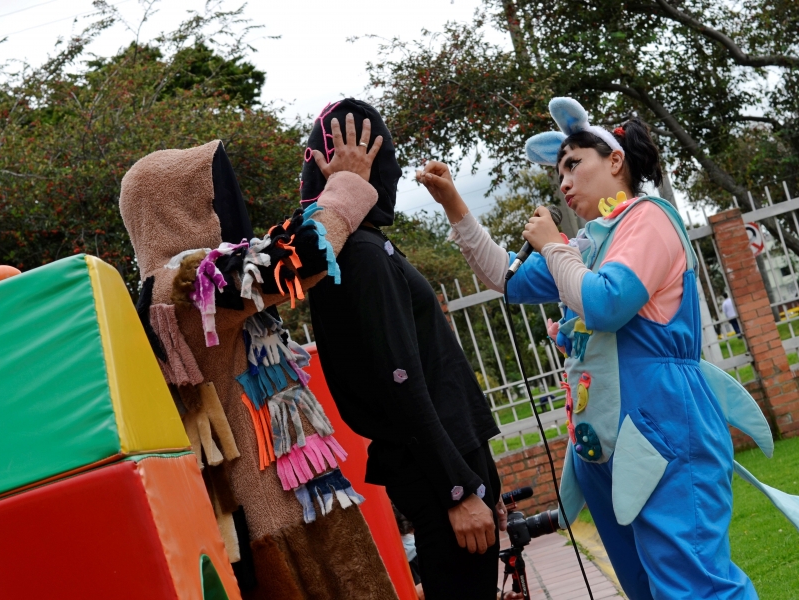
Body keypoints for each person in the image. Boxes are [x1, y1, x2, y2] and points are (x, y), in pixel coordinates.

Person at [417, 97, 764, 599]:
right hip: (603, 443)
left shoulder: (649, 218)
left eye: (574, 164)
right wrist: (454, 202)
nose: (563, 182)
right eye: (559, 172)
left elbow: (605, 303)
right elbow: (505, 278)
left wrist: (554, 245)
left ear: (616, 161)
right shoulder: (588, 246)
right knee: (644, 585)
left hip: (662, 427)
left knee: (693, 585)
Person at [303, 98, 507, 600]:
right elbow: (400, 382)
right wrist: (458, 491)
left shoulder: (367, 245)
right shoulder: (358, 255)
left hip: (454, 467)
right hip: (439, 479)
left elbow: (436, 370)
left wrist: (485, 481)